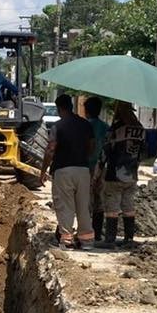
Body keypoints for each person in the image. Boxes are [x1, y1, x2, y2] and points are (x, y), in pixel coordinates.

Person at [40, 94, 95, 249]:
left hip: (63, 171)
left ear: (59, 108)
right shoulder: (86, 125)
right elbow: (92, 146)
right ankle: (87, 241)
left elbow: (50, 150)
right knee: (83, 206)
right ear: (71, 106)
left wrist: (43, 171)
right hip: (83, 170)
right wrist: (83, 158)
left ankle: (67, 240)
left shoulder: (58, 126)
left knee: (65, 206)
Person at [98, 101, 145, 249]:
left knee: (112, 206)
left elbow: (105, 151)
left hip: (115, 174)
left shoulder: (116, 128)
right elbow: (143, 152)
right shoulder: (140, 129)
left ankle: (110, 239)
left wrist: (98, 172)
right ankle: (129, 238)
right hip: (131, 174)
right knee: (128, 205)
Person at [84, 96, 109, 242]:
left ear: (86, 110)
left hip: (88, 167)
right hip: (103, 167)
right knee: (99, 201)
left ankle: (87, 234)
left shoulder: (84, 127)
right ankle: (97, 233)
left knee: (87, 202)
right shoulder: (106, 128)